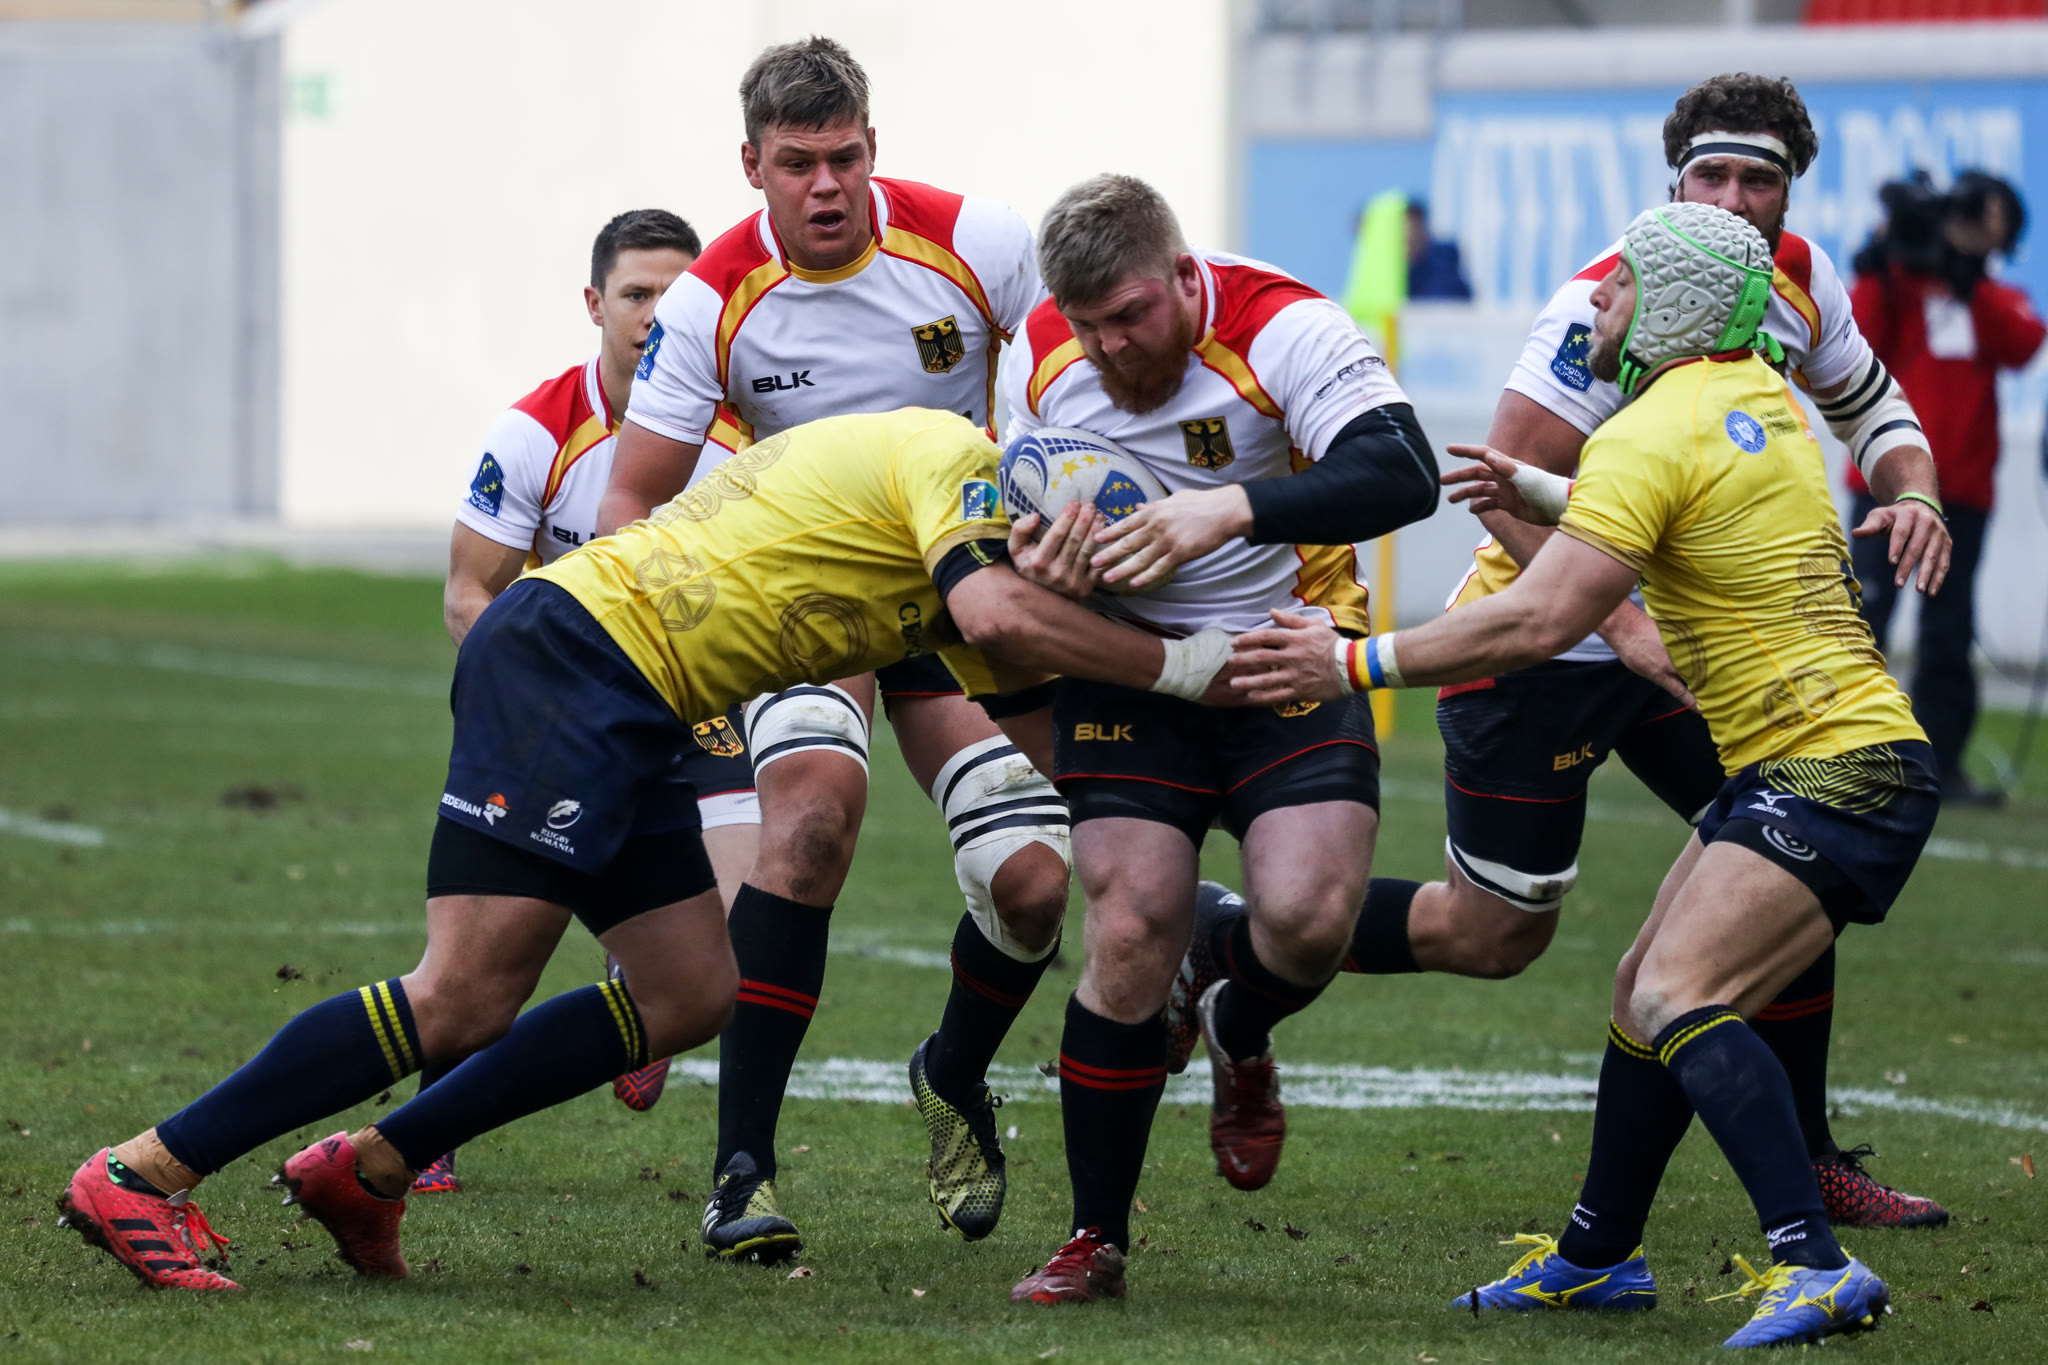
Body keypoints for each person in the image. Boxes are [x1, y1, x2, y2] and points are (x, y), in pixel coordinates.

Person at [54, 406, 1247, 1293]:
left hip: (638, 698)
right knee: (463, 992)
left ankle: (367, 1169)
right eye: (1097, 572)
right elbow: (1000, 613)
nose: (1090, 594)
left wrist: (1213, 851)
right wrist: (1181, 664)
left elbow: (1066, 751)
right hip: (572, 659)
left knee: (687, 992)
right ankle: (144, 1172)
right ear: (1044, 510)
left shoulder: (975, 579)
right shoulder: (955, 467)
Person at [1174, 71, 1955, 1231]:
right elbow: (1501, 488)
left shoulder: (1792, 281)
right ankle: (1233, 958)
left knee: (1786, 869)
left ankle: (1797, 1170)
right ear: (1672, 186)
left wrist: (1915, 493)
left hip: (1677, 648)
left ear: (1791, 192)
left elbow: (1874, 408)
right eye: (1709, 175)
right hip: (1536, 649)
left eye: (1756, 179)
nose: (1731, 199)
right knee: (1493, 935)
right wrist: (1624, 629)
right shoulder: (1606, 299)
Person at [598, 37, 1065, 1261]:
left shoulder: (979, 243)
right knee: (806, 827)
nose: (825, 185)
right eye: (797, 163)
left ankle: (950, 1071)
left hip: (961, 589)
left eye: (844, 158)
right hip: (806, 604)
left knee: (1033, 882)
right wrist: (645, 667)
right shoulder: (710, 297)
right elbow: (631, 501)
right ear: (750, 165)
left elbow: (1066, 398)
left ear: (872, 148)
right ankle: (739, 1172)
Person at [998, 173, 1439, 1305]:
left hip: (1283, 648)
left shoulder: (1282, 326)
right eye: (1086, 324)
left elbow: (1406, 472)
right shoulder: (1037, 353)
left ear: (1184, 275)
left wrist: (1231, 506)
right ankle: (1094, 1238)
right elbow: (1017, 508)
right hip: (1132, 666)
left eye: (1129, 316)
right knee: (1129, 924)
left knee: (1307, 919)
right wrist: (1040, 555)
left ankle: (1234, 1014)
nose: (1107, 346)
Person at [412, 209, 729, 1197]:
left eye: (676, 296)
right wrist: (531, 708)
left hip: (697, 699)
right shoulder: (538, 428)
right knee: (493, 947)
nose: (654, 314)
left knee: (750, 906)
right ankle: (425, 1129)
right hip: (558, 710)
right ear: (596, 304)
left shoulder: (738, 431)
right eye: (636, 294)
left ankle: (645, 993)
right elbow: (470, 593)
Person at [1848, 170, 2044, 806]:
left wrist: (1969, 281)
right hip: (1884, 479)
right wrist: (1882, 263)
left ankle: (1935, 765)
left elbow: (2023, 343)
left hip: (1961, 490)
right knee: (1864, 615)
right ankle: (1840, 750)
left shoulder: (1991, 296)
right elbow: (1857, 340)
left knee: (1947, 631)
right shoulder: (1898, 284)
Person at [1406, 198, 1472, 301]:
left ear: (1424, 235)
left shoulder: (1446, 280)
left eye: (1413, 240)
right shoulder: (1383, 280)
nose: (1408, 248)